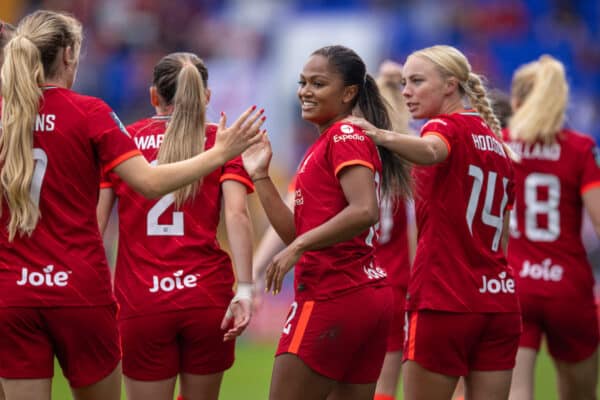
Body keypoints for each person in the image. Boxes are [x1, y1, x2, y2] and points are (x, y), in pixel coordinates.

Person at [0, 10, 264, 400]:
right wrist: (221, 152)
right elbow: (155, 184)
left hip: (17, 292)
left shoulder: (6, 119)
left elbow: (104, 213)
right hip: (83, 291)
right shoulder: (92, 113)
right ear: (69, 55)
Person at [347, 45, 520, 400]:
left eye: (417, 81)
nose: (407, 91)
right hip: (499, 301)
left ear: (450, 85)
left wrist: (376, 133)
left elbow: (432, 151)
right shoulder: (499, 147)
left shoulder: (443, 127)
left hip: (445, 299)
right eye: (406, 82)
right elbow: (501, 235)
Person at [243, 45, 412, 400]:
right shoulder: (326, 143)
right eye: (302, 82)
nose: (305, 91)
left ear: (349, 93)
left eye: (318, 84)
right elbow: (299, 232)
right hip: (365, 295)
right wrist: (260, 177)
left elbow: (364, 210)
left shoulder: (344, 137)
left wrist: (299, 247)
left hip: (332, 294)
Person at [96, 52, 256, 400]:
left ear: (154, 96)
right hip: (206, 296)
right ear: (206, 97)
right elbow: (238, 215)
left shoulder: (125, 141)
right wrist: (245, 289)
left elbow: (97, 225)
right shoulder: (222, 142)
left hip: (141, 299)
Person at [504, 55, 600, 400]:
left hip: (512, 284)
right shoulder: (580, 149)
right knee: (581, 394)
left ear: (515, 101)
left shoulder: (498, 145)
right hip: (568, 285)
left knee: (515, 391)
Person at [371, 60, 416, 400]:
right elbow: (417, 228)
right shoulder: (411, 155)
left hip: (353, 281)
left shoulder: (350, 149)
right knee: (386, 387)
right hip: (396, 282)